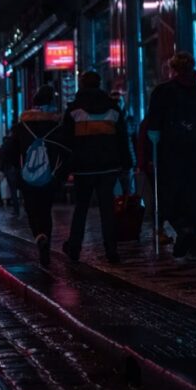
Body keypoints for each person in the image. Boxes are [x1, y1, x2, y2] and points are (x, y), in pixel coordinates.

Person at [62, 71, 132, 264]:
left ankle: (74, 248)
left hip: (83, 169)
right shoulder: (113, 108)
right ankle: (111, 250)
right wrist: (126, 164)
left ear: (82, 85)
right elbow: (122, 139)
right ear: (100, 84)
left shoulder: (74, 110)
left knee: (81, 208)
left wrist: (67, 167)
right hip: (108, 167)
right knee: (107, 209)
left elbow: (66, 142)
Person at [146, 52, 196, 258]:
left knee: (172, 193)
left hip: (171, 152)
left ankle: (184, 229)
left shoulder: (163, 92)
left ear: (173, 69)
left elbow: (153, 123)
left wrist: (152, 143)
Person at [3, 85, 70, 266]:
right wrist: (60, 175)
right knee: (46, 210)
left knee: (32, 210)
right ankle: (45, 239)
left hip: (27, 177)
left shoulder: (23, 126)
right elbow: (66, 152)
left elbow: (8, 151)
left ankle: (39, 236)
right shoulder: (56, 125)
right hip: (50, 177)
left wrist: (15, 170)